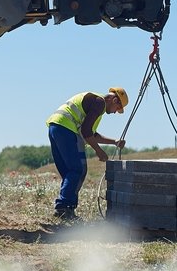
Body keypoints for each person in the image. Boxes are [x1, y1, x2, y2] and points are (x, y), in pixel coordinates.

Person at [46, 87, 129, 220]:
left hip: (56, 127)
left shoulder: (96, 103)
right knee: (77, 170)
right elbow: (86, 132)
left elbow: (92, 134)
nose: (115, 113)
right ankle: (64, 208)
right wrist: (99, 151)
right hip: (66, 129)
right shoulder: (100, 103)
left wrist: (114, 142)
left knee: (69, 172)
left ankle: (64, 208)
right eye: (117, 109)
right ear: (114, 100)